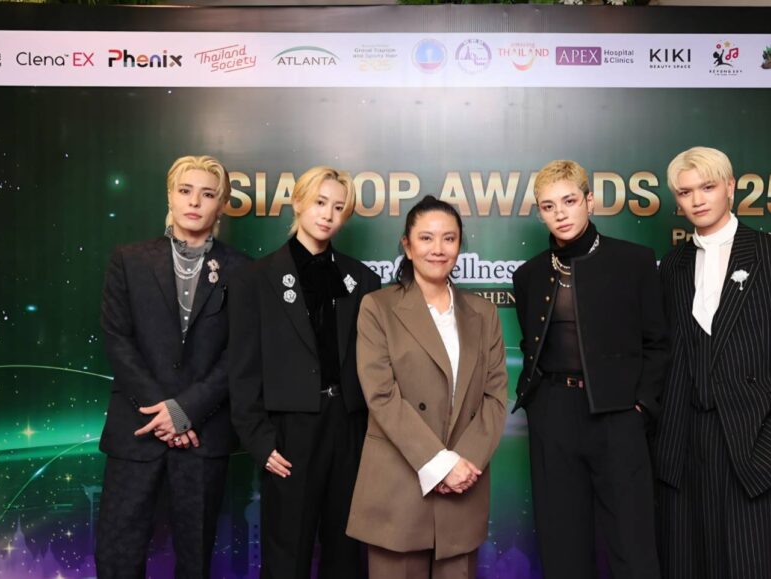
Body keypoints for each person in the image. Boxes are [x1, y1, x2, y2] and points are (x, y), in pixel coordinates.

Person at [654, 146, 771, 579]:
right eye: (685, 192)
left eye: (707, 187)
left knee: (747, 566)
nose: (697, 200)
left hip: (750, 440)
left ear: (730, 188)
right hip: (680, 443)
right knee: (683, 566)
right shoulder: (672, 266)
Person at [511, 160, 670, 579]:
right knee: (562, 543)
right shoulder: (528, 275)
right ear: (540, 212)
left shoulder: (634, 261)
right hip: (554, 415)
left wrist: (640, 408)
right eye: (548, 206)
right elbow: (532, 346)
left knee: (632, 545)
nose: (560, 214)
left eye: (569, 201)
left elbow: (657, 343)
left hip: (618, 415)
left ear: (589, 201)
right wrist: (539, 408)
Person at [96, 154, 250, 578]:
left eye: (207, 194)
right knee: (117, 555)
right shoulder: (128, 259)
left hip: (203, 435)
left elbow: (239, 353)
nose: (194, 202)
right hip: (136, 431)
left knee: (195, 560)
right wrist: (165, 412)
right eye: (185, 191)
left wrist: (185, 411)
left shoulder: (243, 270)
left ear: (221, 205)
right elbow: (117, 340)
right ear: (170, 196)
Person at [229, 166, 380, 578]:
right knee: (287, 552)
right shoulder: (255, 279)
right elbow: (242, 370)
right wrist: (260, 442)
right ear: (297, 202)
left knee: (346, 551)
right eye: (319, 202)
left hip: (347, 426)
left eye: (338, 207)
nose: (328, 214)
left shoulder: (362, 279)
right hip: (289, 431)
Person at [346, 195, 508, 578]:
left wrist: (464, 464)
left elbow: (495, 396)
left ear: (460, 246)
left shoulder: (484, 313)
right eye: (426, 238)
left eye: (449, 239)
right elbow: (381, 396)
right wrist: (440, 465)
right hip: (399, 486)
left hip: (464, 485)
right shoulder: (377, 307)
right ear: (407, 245)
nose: (438, 249)